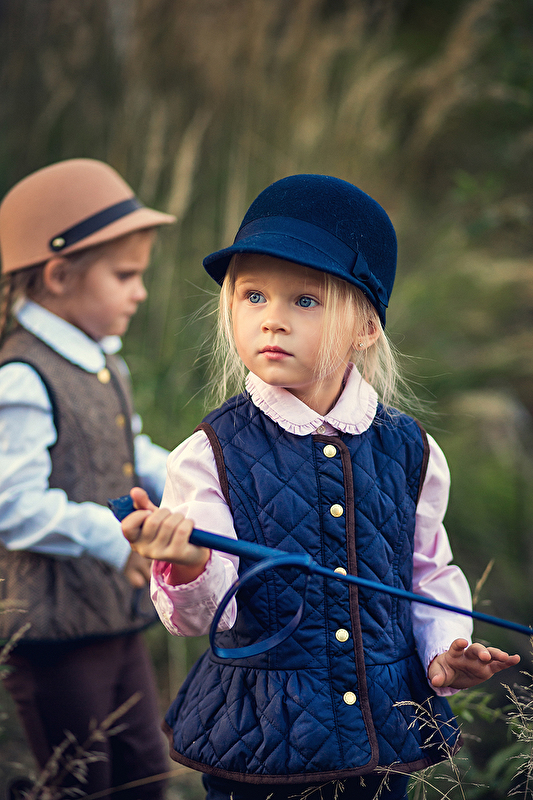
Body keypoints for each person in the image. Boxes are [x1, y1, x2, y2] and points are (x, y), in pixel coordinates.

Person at [120, 174, 520, 800]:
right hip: (260, 737)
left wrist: (446, 649)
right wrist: (188, 562)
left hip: (381, 728)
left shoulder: (411, 450)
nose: (273, 321)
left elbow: (427, 571)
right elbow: (199, 618)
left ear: (367, 327)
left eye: (305, 301)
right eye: (254, 296)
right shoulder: (209, 454)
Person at [0, 159, 176, 799]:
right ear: (58, 275)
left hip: (115, 618)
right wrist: (111, 536)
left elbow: (130, 452)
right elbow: (13, 506)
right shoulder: (24, 377)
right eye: (125, 276)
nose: (140, 292)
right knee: (83, 784)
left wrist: (201, 479)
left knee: (147, 773)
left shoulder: (103, 361)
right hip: (54, 636)